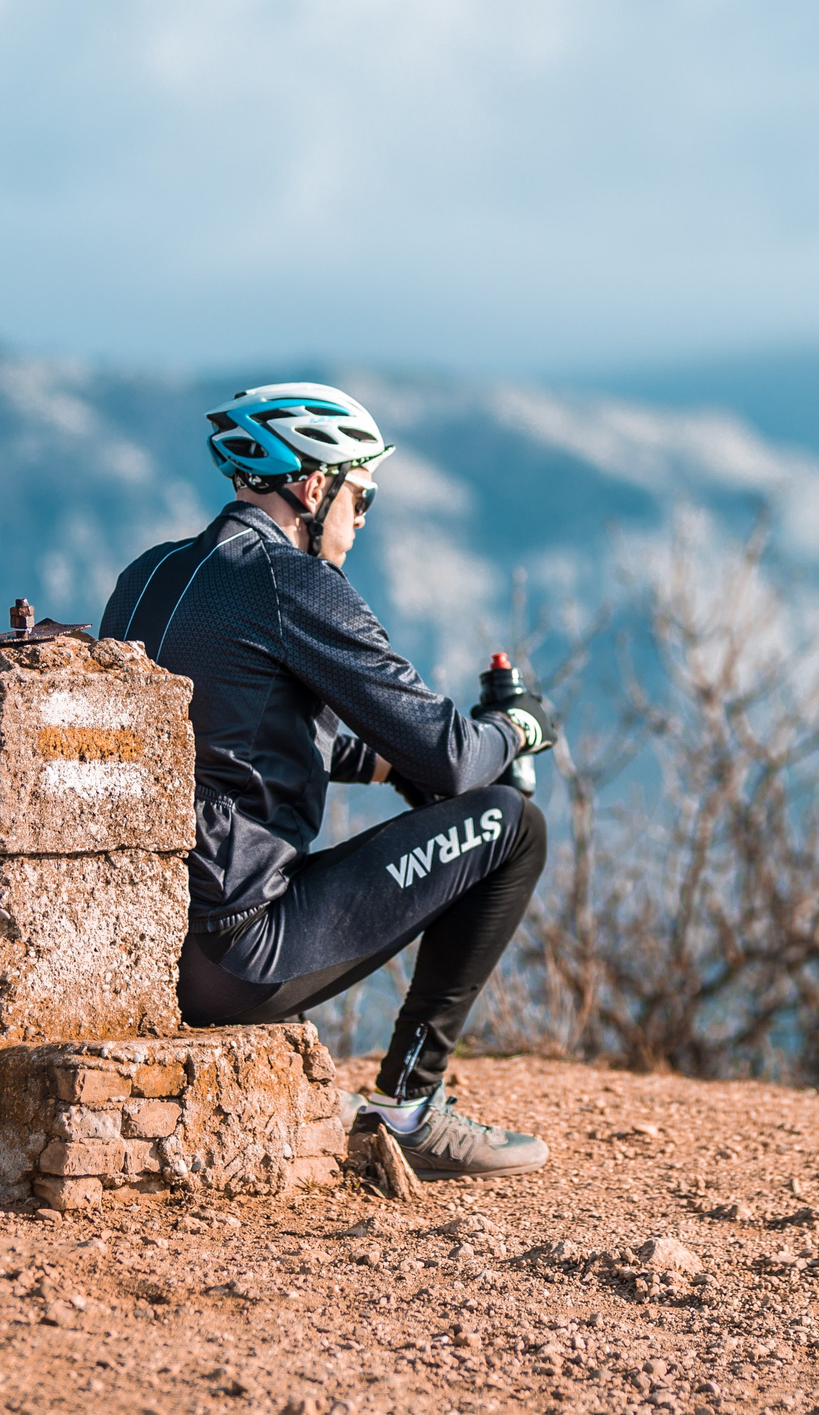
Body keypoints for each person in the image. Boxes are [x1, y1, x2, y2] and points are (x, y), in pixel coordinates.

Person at [100, 381, 555, 1178]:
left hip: (146, 948)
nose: (362, 520)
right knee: (511, 822)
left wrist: (379, 763)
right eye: (362, 496)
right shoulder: (293, 581)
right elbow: (452, 756)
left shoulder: (150, 574)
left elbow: (228, 733)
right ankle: (409, 1106)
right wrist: (517, 728)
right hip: (240, 953)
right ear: (314, 487)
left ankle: (405, 1104)